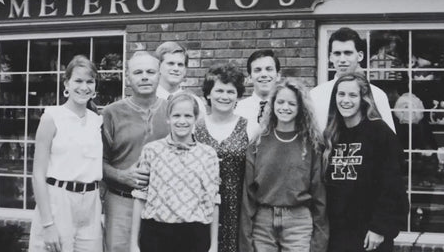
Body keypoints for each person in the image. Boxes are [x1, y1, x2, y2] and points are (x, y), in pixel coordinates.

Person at [323, 73, 409, 252]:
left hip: (369, 235)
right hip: (337, 234)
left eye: (352, 95)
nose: (345, 100)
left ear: (364, 99)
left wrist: (380, 227)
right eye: (341, 94)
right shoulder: (331, 134)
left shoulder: (379, 132)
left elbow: (393, 187)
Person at [239, 80, 328, 252]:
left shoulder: (311, 144)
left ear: (300, 107)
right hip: (263, 221)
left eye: (292, 103)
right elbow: (248, 195)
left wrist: (319, 242)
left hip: (298, 222)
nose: (285, 107)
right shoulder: (258, 142)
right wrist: (246, 241)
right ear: (272, 104)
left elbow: (319, 196)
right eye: (280, 102)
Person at [29, 55, 103, 252]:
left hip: (91, 204)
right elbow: (37, 175)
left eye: (90, 81)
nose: (84, 87)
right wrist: (47, 224)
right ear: (66, 84)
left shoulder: (97, 121)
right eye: (78, 80)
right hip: (58, 202)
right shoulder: (51, 117)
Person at [130, 93, 220, 252]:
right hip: (156, 235)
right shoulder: (152, 151)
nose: (182, 121)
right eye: (176, 115)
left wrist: (214, 245)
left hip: (195, 235)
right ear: (168, 118)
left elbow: (213, 201)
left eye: (188, 116)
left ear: (195, 118)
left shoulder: (208, 154)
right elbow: (140, 197)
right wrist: (133, 244)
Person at [102, 51, 170, 252]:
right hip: (122, 202)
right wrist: (122, 175)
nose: (145, 76)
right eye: (138, 72)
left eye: (150, 71)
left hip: (162, 204)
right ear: (128, 77)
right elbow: (97, 162)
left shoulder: (173, 111)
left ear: (159, 75)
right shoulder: (111, 113)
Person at [194, 63, 257, 252]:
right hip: (201, 205)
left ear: (238, 96)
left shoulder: (250, 127)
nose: (224, 96)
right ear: (208, 94)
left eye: (231, 92)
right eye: (219, 90)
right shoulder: (195, 127)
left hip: (237, 208)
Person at [310, 27, 395, 132]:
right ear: (330, 57)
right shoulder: (315, 95)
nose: (342, 59)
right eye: (337, 53)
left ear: (359, 56)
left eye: (348, 53)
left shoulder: (377, 95)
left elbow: (389, 141)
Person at [155, 41, 207, 117]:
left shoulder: (196, 103)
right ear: (158, 66)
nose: (176, 68)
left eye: (180, 65)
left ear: (185, 70)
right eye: (171, 63)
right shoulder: (146, 100)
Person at [234, 49, 281, 124]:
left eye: (269, 69)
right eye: (257, 70)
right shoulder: (238, 109)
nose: (264, 74)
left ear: (278, 76)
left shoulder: (286, 109)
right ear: (250, 78)